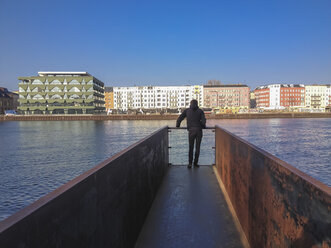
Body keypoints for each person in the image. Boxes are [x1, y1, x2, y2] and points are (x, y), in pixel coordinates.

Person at [176, 99, 206, 168]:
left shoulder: (187, 111)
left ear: (190, 104)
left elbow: (180, 118)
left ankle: (190, 163)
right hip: (199, 131)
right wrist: (203, 126)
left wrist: (178, 125)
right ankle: (195, 163)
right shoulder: (200, 111)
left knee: (191, 147)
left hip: (191, 131)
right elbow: (203, 121)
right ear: (197, 104)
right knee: (197, 148)